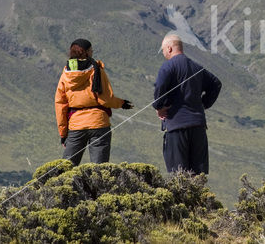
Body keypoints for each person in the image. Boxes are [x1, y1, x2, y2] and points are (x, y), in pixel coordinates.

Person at [54, 38, 133, 166]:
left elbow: (60, 104)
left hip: (76, 125)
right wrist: (122, 103)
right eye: (91, 50)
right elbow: (105, 99)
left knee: (66, 168)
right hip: (99, 123)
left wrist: (63, 133)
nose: (92, 52)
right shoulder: (96, 70)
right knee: (99, 169)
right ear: (86, 53)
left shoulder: (65, 74)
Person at [152, 34, 221, 175]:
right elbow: (216, 84)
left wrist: (159, 107)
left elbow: (159, 88)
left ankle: (181, 198)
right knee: (197, 175)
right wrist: (203, 104)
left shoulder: (168, 67)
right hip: (198, 126)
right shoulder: (196, 67)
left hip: (177, 127)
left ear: (169, 48)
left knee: (178, 175)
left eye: (163, 50)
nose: (164, 53)